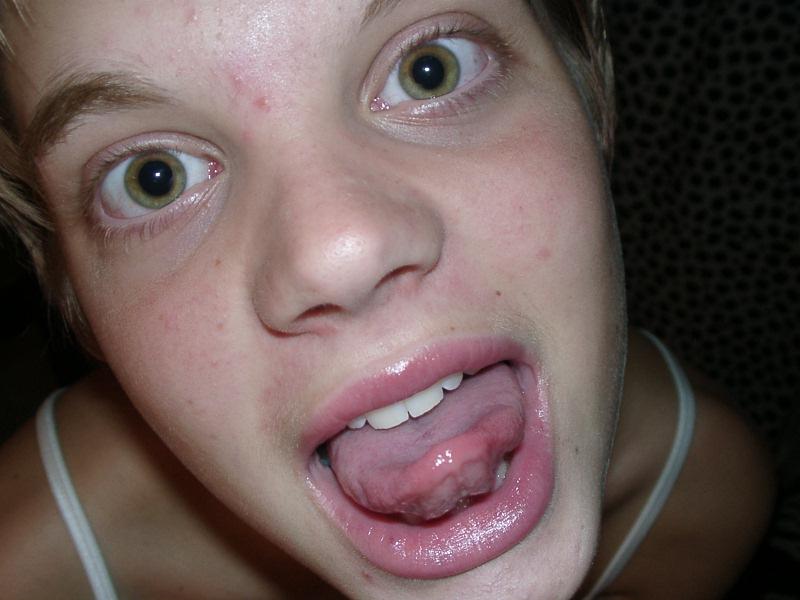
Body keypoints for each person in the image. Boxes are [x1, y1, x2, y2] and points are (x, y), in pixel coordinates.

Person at [0, 1, 774, 598]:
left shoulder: (702, 493)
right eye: (154, 178)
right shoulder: (29, 557)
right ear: (77, 302)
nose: (338, 252)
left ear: (589, 92)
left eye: (429, 68)